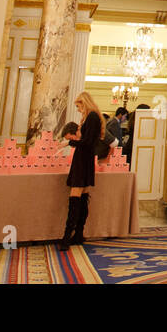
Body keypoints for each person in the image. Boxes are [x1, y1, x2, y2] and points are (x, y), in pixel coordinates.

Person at [61, 92, 103, 246]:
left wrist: (69, 143)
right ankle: (78, 234)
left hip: (83, 160)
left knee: (76, 197)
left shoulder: (92, 117)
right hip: (84, 160)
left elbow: (87, 142)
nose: (78, 110)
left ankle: (68, 236)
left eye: (78, 106)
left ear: (84, 103)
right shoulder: (92, 117)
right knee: (83, 197)